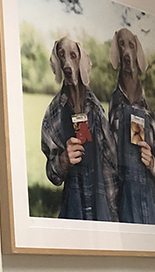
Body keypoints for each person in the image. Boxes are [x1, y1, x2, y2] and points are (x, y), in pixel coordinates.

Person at [40, 37, 120, 221]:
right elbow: (52, 174)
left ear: (81, 63)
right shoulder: (54, 114)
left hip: (103, 204)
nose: (68, 65)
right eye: (62, 56)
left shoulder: (97, 111)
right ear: (57, 63)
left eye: (73, 56)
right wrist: (63, 160)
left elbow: (112, 162)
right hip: (73, 206)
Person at [108, 28, 155, 225]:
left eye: (131, 46)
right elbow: (108, 168)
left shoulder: (149, 117)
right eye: (122, 45)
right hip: (123, 210)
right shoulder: (114, 109)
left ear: (136, 53)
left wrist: (151, 163)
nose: (127, 52)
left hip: (152, 214)